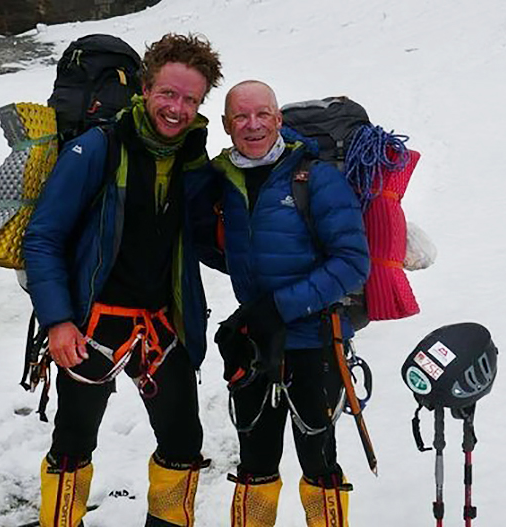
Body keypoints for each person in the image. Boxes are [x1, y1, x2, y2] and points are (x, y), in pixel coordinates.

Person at [22, 33, 222, 527]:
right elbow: (43, 238)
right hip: (91, 327)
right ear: (145, 88)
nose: (177, 108)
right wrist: (57, 322)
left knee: (182, 444)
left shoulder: (193, 160)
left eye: (190, 99)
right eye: (168, 94)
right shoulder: (97, 148)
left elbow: (217, 235)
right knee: (72, 444)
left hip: (160, 326)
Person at [209, 80, 370, 526]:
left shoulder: (317, 178)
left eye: (263, 114)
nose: (253, 125)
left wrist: (277, 309)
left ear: (279, 120)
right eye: (241, 117)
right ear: (226, 125)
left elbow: (353, 263)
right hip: (256, 341)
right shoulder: (223, 179)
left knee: (319, 464)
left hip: (314, 340)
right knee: (254, 464)